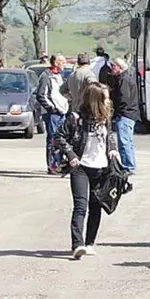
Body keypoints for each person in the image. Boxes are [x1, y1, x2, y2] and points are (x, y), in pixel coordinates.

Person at [54, 82, 120, 259]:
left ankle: (90, 242)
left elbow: (110, 136)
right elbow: (58, 136)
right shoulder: (76, 118)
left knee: (96, 206)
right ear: (95, 100)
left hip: (101, 168)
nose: (108, 101)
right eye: (105, 98)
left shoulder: (106, 117)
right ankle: (77, 244)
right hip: (80, 167)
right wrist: (70, 154)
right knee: (80, 206)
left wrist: (113, 149)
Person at [36, 55, 69, 174]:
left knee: (60, 139)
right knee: (52, 140)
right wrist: (52, 108)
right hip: (52, 114)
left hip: (61, 112)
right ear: (56, 63)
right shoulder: (46, 77)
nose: (64, 66)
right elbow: (41, 95)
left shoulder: (59, 76)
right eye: (63, 63)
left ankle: (59, 163)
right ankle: (52, 166)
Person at [109, 57, 139, 174]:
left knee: (124, 142)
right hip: (129, 113)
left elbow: (124, 99)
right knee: (128, 142)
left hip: (125, 114)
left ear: (120, 68)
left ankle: (128, 166)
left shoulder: (124, 80)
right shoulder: (123, 79)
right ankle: (130, 165)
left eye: (114, 66)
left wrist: (116, 111)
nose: (112, 68)